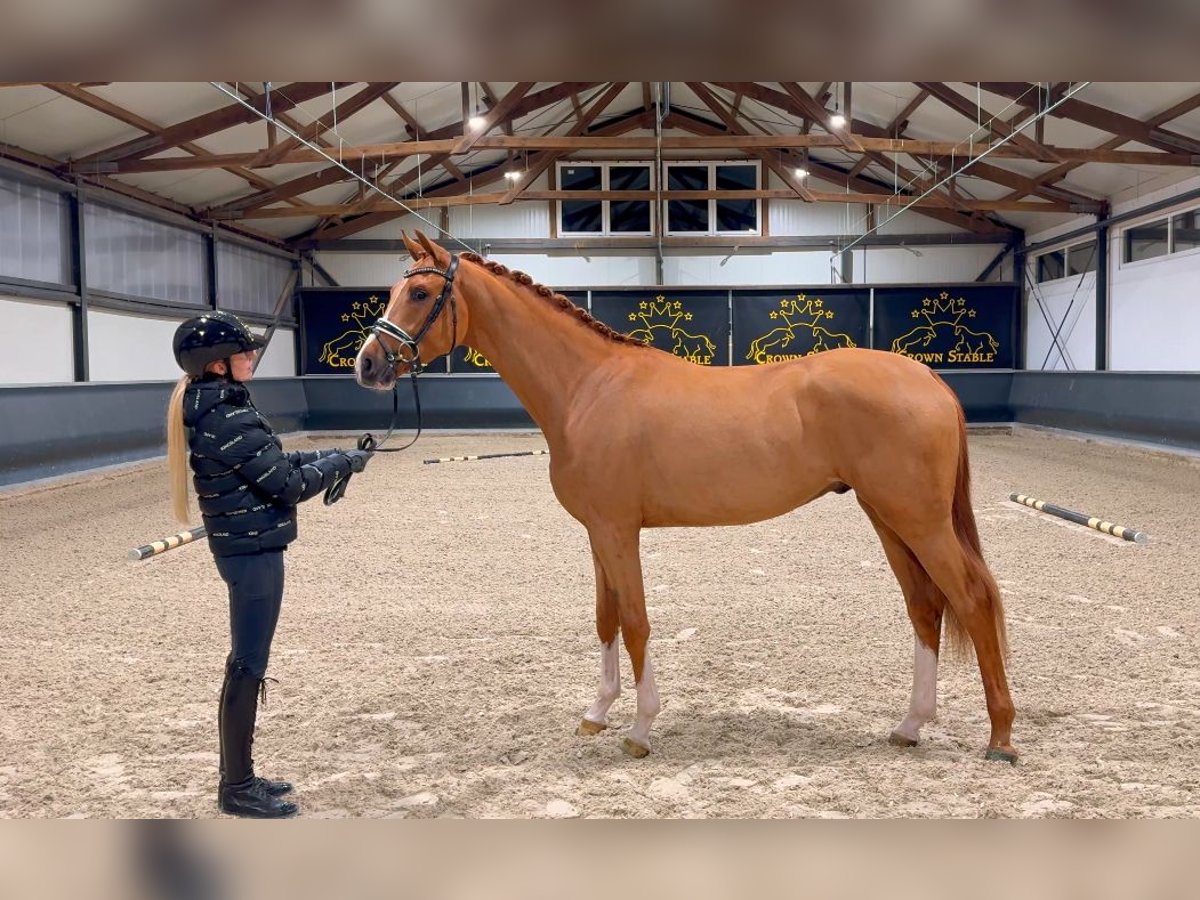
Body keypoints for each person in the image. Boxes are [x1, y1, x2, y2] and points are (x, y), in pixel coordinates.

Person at [165, 311, 372, 818]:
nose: (252, 357)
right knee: (247, 663)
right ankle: (236, 786)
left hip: (250, 542)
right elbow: (286, 485)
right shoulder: (225, 415)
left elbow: (276, 463)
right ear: (217, 365)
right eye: (244, 353)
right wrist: (343, 464)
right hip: (250, 549)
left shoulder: (222, 404)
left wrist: (336, 453)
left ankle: (241, 777)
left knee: (249, 661)